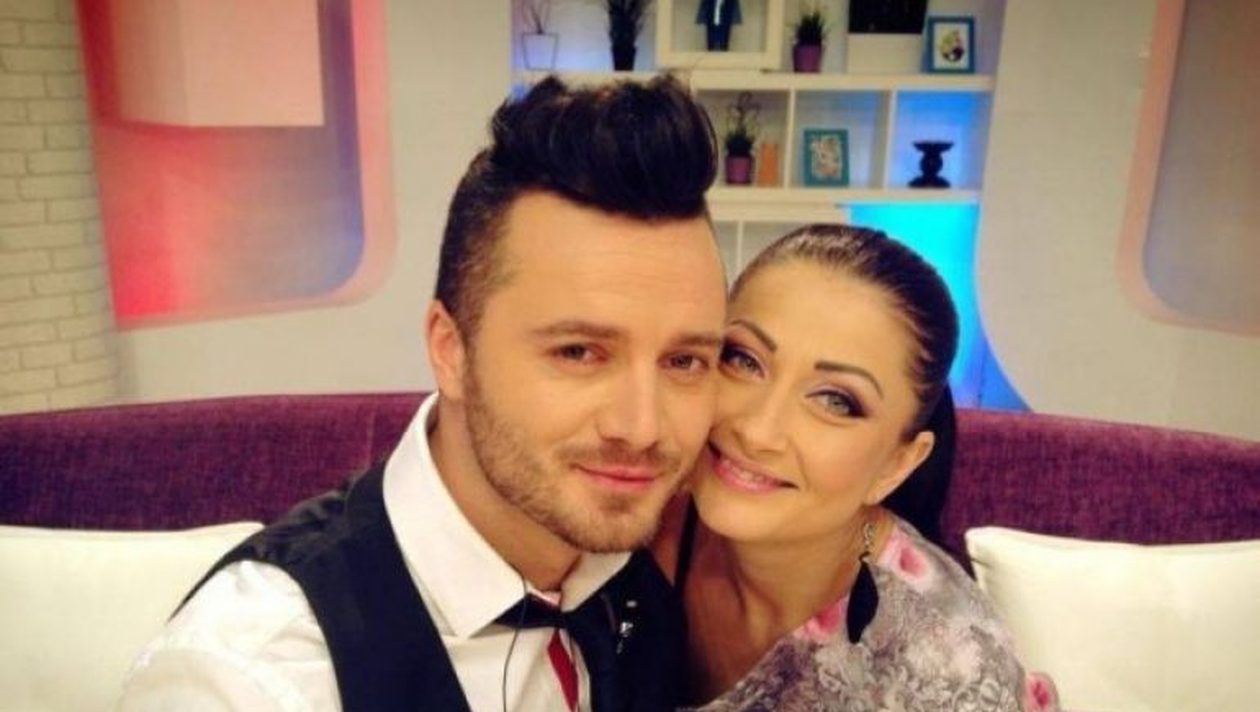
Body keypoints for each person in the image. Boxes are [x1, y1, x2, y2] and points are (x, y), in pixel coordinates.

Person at [117, 75, 729, 712]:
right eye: (578, 352)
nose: (641, 427)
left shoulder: (652, 579)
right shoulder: (254, 679)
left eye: (684, 361)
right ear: (450, 349)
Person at [653, 224, 1060, 712]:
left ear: (897, 464)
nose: (757, 431)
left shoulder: (945, 672)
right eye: (743, 360)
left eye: (836, 401)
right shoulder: (642, 513)